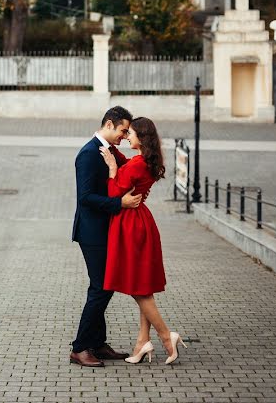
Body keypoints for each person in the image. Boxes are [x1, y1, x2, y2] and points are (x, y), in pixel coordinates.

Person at [99, 117, 187, 365]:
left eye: (131, 133)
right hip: (141, 221)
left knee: (137, 288)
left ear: (142, 138)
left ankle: (166, 335)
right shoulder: (144, 162)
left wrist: (113, 171)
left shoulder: (136, 165)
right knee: (143, 285)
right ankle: (142, 342)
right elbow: (130, 173)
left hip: (130, 224)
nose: (128, 136)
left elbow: (114, 192)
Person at [70, 106, 142, 368]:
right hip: (91, 232)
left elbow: (132, 167)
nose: (124, 136)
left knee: (104, 286)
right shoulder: (89, 154)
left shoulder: (110, 150)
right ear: (109, 125)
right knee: (100, 287)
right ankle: (80, 349)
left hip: (104, 230)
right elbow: (85, 198)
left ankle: (97, 343)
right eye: (123, 130)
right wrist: (119, 203)